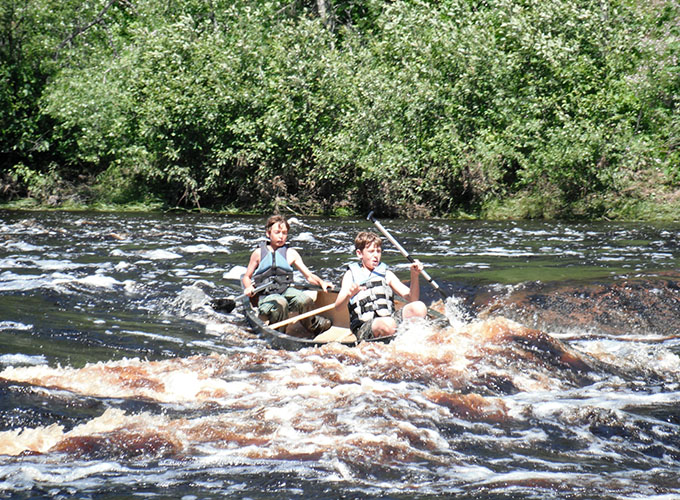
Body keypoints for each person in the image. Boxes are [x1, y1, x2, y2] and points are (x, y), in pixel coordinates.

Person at [242, 215, 332, 335]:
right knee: (281, 303)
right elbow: (247, 277)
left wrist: (322, 283)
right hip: (266, 296)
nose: (281, 236)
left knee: (304, 300)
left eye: (284, 233)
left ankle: (313, 326)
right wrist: (249, 287)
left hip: (285, 290)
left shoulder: (291, 253)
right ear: (268, 234)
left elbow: (309, 276)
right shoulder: (258, 253)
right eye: (277, 232)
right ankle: (278, 332)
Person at [334, 231, 428, 340]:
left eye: (378, 251)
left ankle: (415, 341)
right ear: (359, 254)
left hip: (389, 320)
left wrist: (414, 275)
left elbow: (412, 298)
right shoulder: (351, 275)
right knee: (387, 324)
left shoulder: (386, 274)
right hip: (365, 326)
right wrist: (349, 295)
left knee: (419, 307)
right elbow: (338, 307)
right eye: (371, 252)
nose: (376, 256)